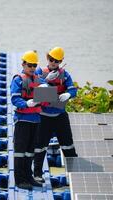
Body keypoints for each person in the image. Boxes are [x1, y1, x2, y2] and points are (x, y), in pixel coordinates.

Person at [33, 47, 78, 183]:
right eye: (51, 59)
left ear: (61, 61)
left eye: (57, 61)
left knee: (68, 146)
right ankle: (37, 174)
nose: (53, 62)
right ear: (48, 58)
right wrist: (45, 80)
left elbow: (73, 89)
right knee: (40, 147)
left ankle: (75, 175)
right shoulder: (39, 72)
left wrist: (69, 94)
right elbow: (33, 87)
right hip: (44, 116)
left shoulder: (65, 75)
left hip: (60, 115)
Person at [10, 50, 46, 190]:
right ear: (23, 64)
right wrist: (26, 103)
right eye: (29, 65)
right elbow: (14, 98)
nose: (32, 68)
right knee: (20, 151)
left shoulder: (39, 80)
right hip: (23, 120)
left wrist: (47, 89)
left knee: (30, 151)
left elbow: (47, 99)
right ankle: (20, 180)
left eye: (34, 65)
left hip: (36, 120)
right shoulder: (18, 79)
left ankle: (29, 177)